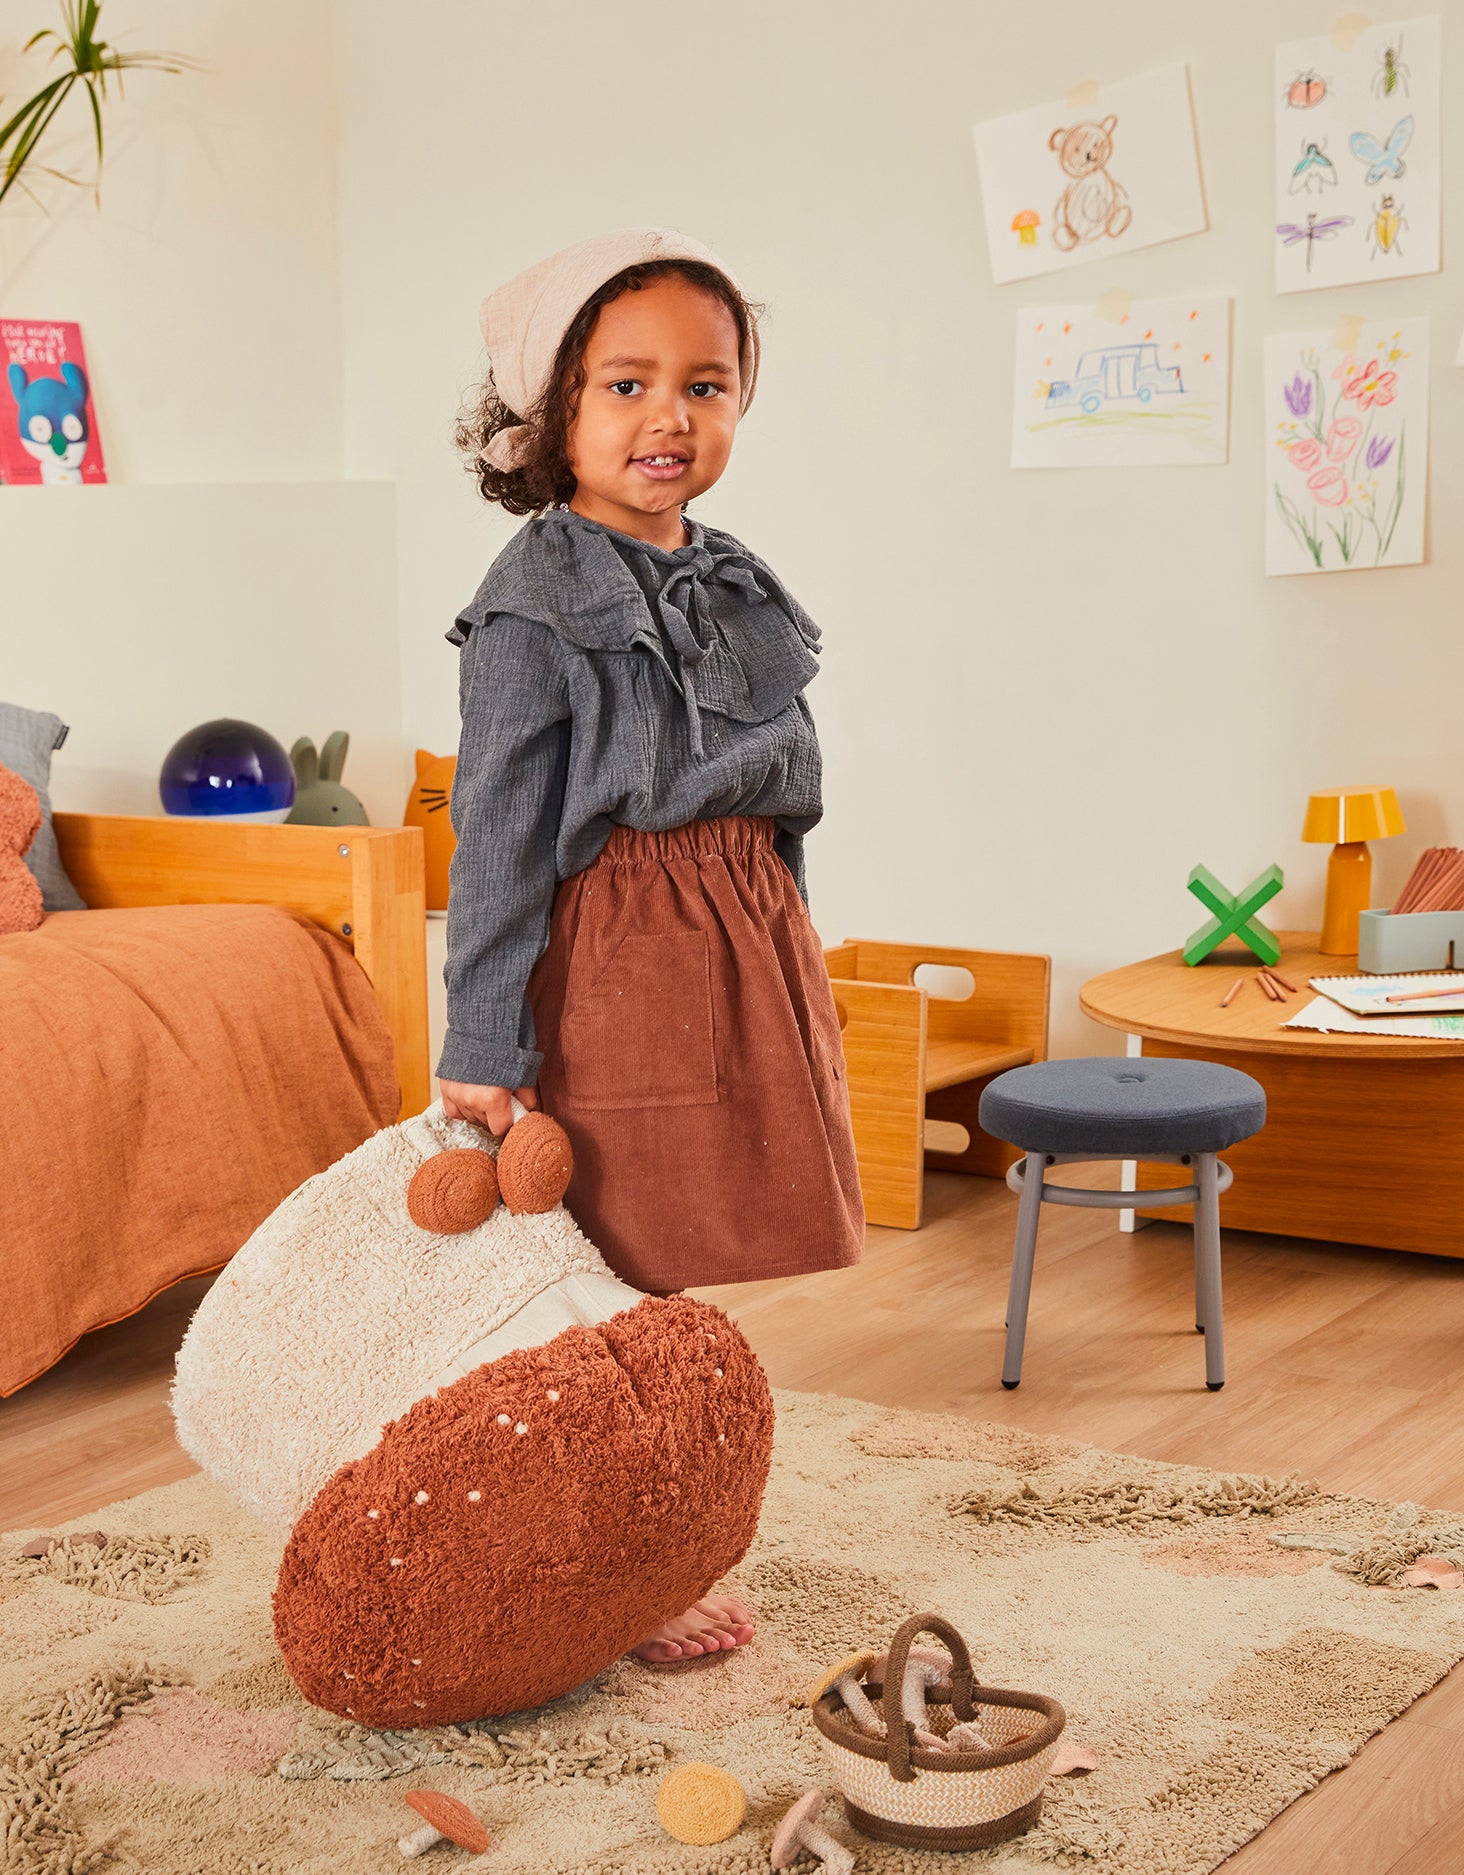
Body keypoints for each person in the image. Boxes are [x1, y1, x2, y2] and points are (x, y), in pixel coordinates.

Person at [436, 228, 864, 1661]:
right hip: (619, 964)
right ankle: (617, 1566)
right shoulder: (532, 607)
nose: (669, 415)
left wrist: (787, 958)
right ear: (552, 411)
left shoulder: (735, 581)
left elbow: (783, 787)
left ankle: (646, 1533)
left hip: (738, 944)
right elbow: (497, 840)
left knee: (673, 1267)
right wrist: (484, 1038)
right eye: (626, 385)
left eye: (707, 384)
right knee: (615, 1275)